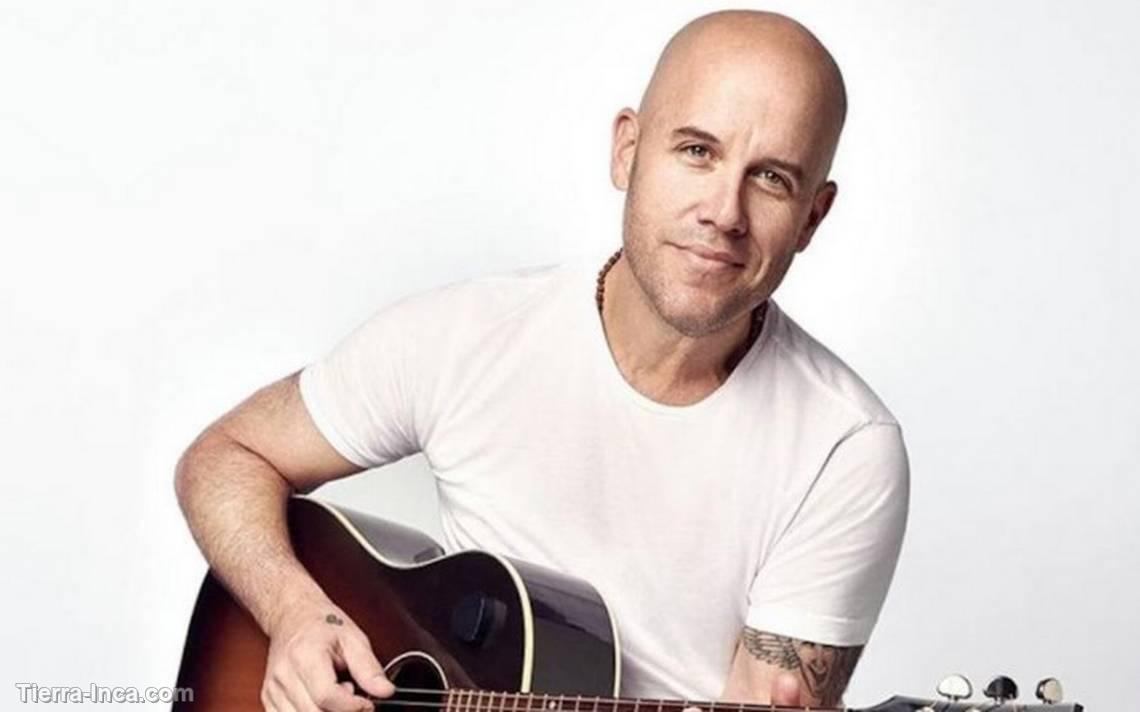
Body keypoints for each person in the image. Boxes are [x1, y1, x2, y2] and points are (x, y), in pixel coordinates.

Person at [175, 9, 909, 712]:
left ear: (812, 217)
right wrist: (295, 613)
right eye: (696, 151)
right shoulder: (468, 336)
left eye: (772, 178)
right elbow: (226, 457)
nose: (724, 212)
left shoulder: (843, 448)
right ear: (627, 150)